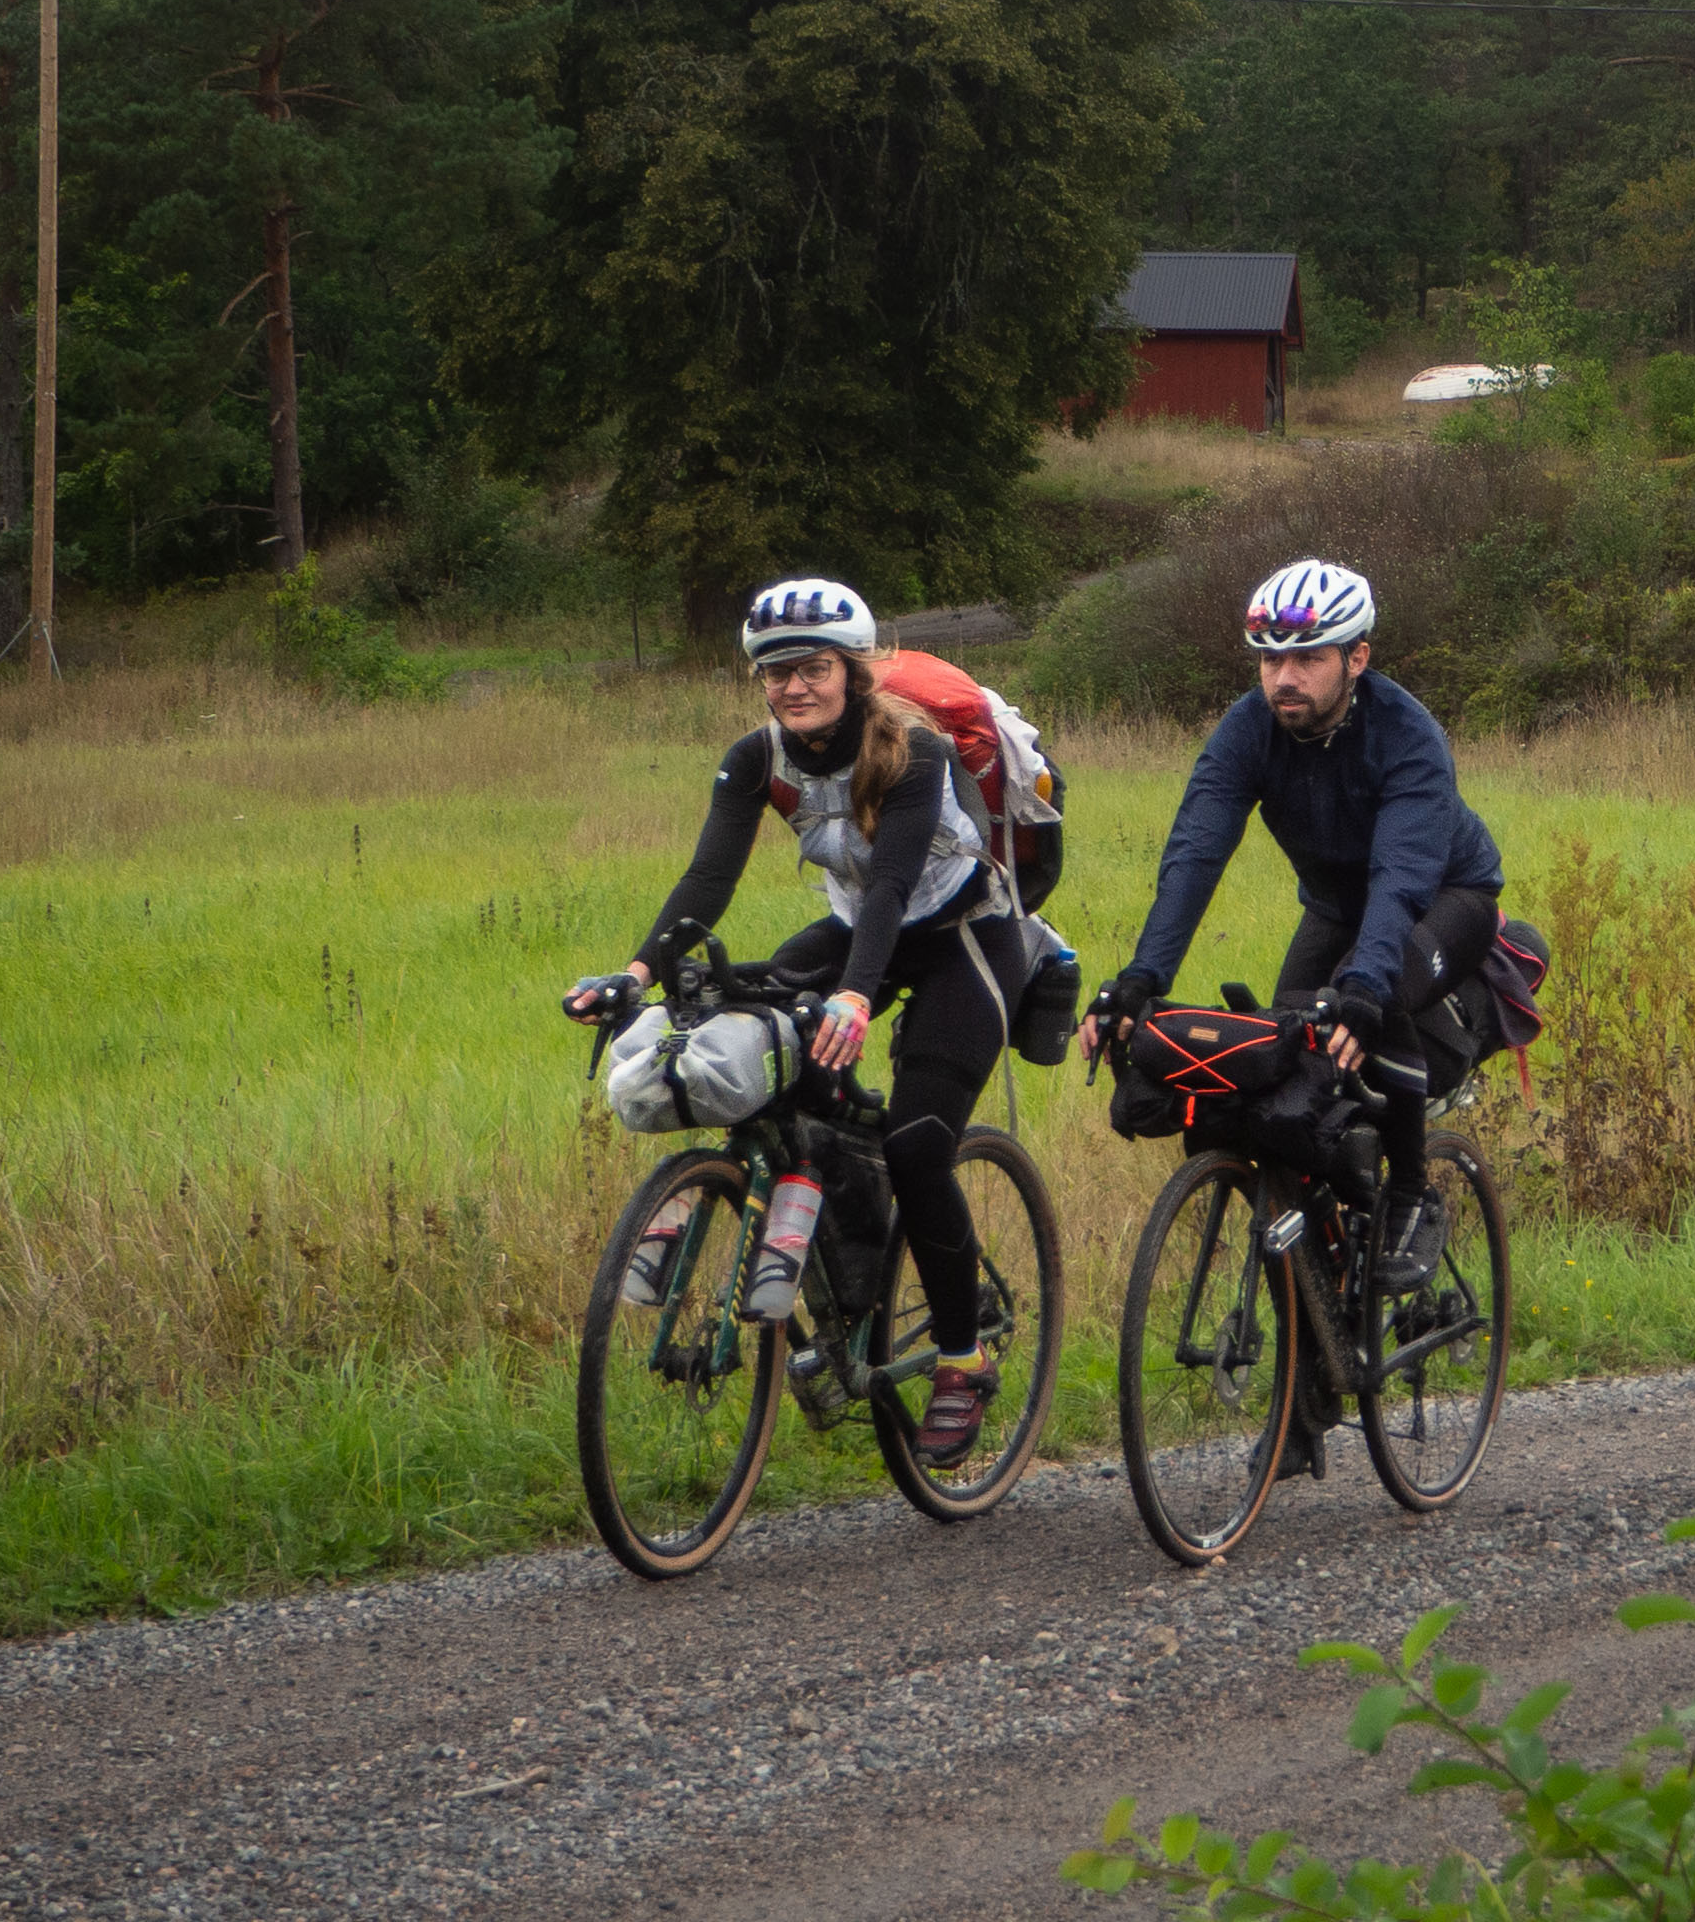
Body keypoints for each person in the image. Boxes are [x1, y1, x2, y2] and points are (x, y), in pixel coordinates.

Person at [561, 576, 1031, 1467]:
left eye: (813, 668)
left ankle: (962, 1361)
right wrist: (631, 976)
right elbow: (707, 883)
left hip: (964, 936)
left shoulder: (914, 749)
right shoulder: (756, 757)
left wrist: (854, 996)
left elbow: (893, 881)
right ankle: (845, 1298)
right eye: (775, 674)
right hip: (858, 931)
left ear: (853, 671)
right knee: (758, 1062)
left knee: (920, 1144)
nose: (793, 687)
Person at [1090, 557, 1503, 1329]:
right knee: (1283, 1066)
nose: (1284, 677)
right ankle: (1319, 1333)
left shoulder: (1409, 736)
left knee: (1376, 999)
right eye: (1271, 658)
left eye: (1307, 659)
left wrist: (1367, 986)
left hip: (1446, 897)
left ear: (1357, 659)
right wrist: (1143, 975)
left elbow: (1402, 876)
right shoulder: (1249, 729)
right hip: (1334, 908)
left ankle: (1412, 1196)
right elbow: (1195, 853)